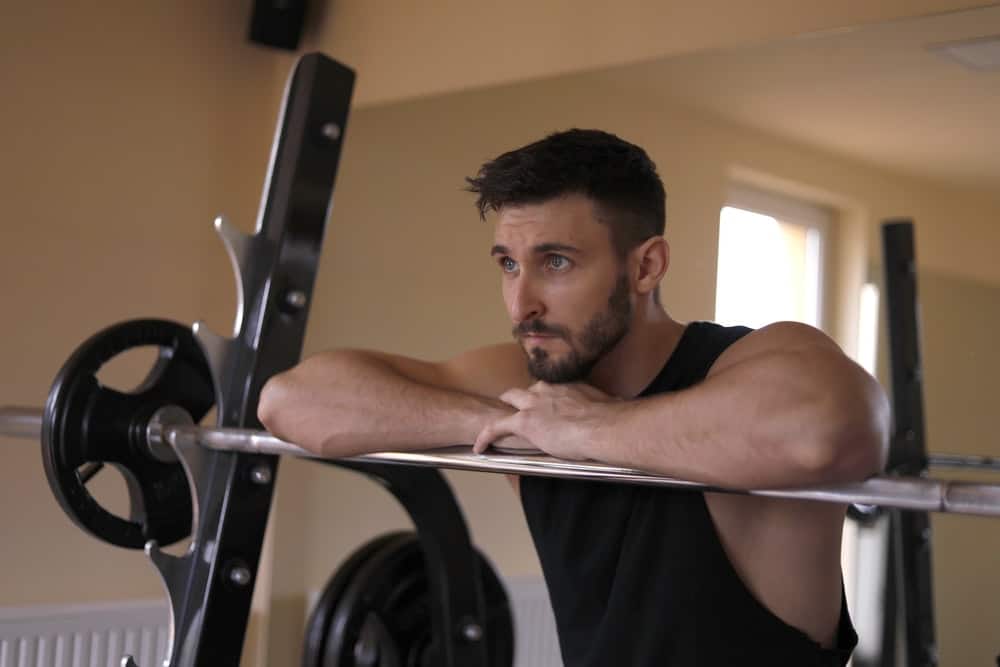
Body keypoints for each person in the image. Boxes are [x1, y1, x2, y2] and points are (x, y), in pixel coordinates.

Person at [257, 129, 889, 666]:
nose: (521, 301)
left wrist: (586, 433)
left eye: (555, 262)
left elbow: (829, 429)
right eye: (508, 263)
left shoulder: (747, 368)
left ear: (645, 268)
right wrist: (510, 422)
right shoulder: (533, 392)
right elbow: (293, 401)